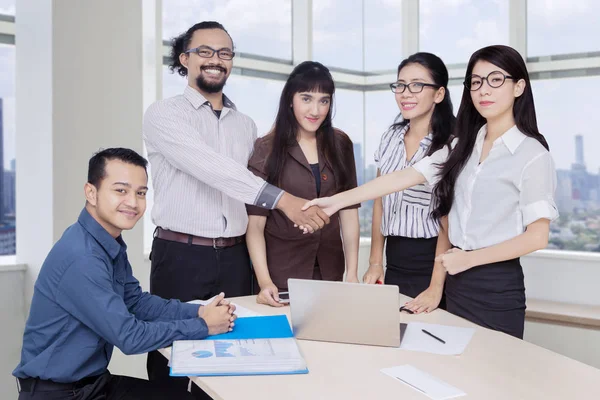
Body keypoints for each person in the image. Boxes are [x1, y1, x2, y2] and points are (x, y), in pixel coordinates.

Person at [304, 45, 558, 339]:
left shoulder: (532, 154)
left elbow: (537, 236)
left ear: (519, 87)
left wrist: (468, 259)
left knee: (494, 377)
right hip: (457, 279)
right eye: (476, 82)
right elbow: (401, 178)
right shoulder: (462, 146)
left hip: (496, 284)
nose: (483, 91)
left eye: (495, 80)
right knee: (452, 371)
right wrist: (335, 201)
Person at [142, 21, 328, 392]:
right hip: (181, 254)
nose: (215, 60)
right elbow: (212, 168)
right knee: (172, 355)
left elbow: (247, 189)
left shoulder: (245, 124)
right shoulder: (164, 114)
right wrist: (285, 200)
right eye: (205, 52)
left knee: (238, 355)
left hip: (234, 257)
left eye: (224, 53)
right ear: (185, 59)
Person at [13, 148, 236, 400]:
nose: (133, 202)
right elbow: (130, 337)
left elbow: (135, 302)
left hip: (94, 384)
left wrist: (198, 311)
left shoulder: (106, 242)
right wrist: (203, 325)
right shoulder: (82, 257)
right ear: (91, 192)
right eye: (121, 190)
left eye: (140, 193)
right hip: (60, 394)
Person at [246, 61, 360, 307]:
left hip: (330, 273)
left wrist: (351, 273)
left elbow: (349, 213)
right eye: (306, 99)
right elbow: (255, 225)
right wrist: (265, 282)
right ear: (290, 100)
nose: (316, 110)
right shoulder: (265, 148)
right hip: (281, 276)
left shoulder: (341, 144)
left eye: (324, 100)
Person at [362, 53, 455, 311]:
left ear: (438, 94)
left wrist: (436, 287)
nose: (405, 93)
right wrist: (375, 261)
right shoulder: (390, 137)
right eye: (400, 85)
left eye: (417, 85)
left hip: (432, 262)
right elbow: (380, 199)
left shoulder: (450, 145)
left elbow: (448, 220)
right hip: (394, 260)